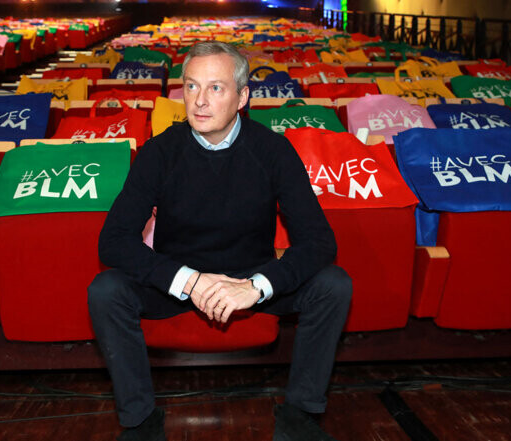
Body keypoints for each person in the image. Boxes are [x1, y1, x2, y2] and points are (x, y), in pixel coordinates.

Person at [88, 41, 352, 441]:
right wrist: (190, 281)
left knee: (333, 284)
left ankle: (300, 415)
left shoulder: (273, 150)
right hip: (177, 282)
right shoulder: (160, 151)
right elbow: (114, 241)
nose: (200, 101)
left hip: (249, 276)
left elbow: (318, 242)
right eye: (191, 87)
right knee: (106, 290)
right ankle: (140, 421)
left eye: (216, 88)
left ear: (243, 96)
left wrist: (255, 287)